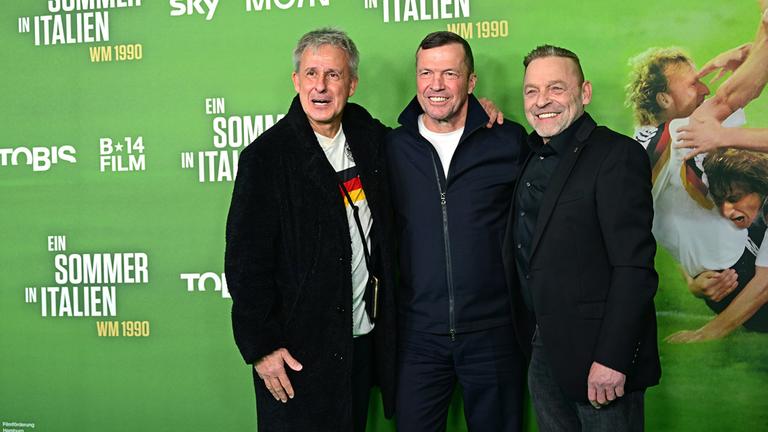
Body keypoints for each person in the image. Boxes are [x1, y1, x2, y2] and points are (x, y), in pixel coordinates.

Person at [224, 28, 396, 431]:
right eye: (311, 73)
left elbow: (428, 132)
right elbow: (245, 265)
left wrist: (478, 112)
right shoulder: (265, 158)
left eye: (333, 75)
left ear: (351, 84)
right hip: (296, 357)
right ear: (296, 81)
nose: (321, 86)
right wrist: (262, 348)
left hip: (359, 346)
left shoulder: (371, 138)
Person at [502, 45, 660, 431]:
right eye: (531, 91)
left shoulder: (616, 155)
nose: (542, 102)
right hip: (543, 350)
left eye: (556, 88)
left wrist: (613, 359)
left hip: (600, 362)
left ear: (584, 93)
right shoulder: (529, 152)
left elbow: (634, 267)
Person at [386, 31, 527, 432]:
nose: (436, 85)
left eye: (450, 73)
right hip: (419, 336)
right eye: (426, 72)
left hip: (494, 334)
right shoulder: (393, 147)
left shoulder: (509, 140)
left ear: (471, 81)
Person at [625, 10, 768, 340]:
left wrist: (754, 47)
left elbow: (668, 222)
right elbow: (729, 96)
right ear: (664, 98)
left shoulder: (677, 137)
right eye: (692, 83)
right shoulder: (668, 139)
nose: (704, 88)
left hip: (745, 245)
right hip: (739, 275)